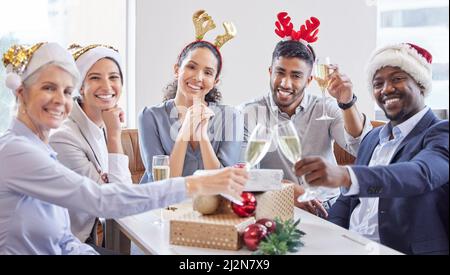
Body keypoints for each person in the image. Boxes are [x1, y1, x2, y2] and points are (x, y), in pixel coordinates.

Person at [0, 42, 248, 255]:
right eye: (48, 88)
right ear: (20, 92)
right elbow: (101, 200)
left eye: (66, 91)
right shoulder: (18, 152)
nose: (60, 100)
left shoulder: (43, 148)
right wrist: (196, 185)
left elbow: (64, 239)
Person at [295, 43, 449, 255]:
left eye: (397, 79)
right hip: (351, 246)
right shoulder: (372, 138)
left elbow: (420, 175)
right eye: (378, 83)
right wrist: (326, 236)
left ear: (421, 84)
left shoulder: (441, 133)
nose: (386, 89)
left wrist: (346, 175)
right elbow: (347, 200)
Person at [239, 12, 370, 216]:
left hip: (331, 206)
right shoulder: (247, 113)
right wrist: (285, 187)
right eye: (280, 72)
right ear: (269, 72)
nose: (285, 83)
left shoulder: (326, 108)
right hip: (277, 206)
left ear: (309, 80)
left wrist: (347, 102)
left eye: (296, 76)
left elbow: (364, 148)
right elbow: (242, 172)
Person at [139, 10, 242, 182]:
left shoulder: (231, 117)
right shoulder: (149, 117)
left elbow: (223, 184)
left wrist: (202, 137)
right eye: (192, 67)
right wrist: (184, 131)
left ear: (215, 81)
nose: (198, 77)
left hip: (211, 206)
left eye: (208, 72)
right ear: (177, 70)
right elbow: (160, 184)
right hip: (163, 206)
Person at [49, 44, 130, 245]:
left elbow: (121, 193)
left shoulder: (102, 123)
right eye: (95, 78)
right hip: (65, 244)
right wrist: (114, 135)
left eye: (113, 77)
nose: (107, 86)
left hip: (95, 237)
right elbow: (118, 203)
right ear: (80, 86)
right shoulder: (63, 137)